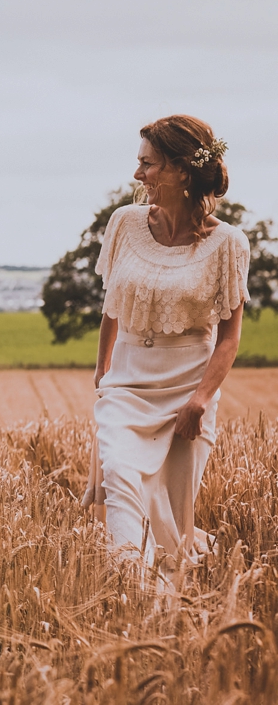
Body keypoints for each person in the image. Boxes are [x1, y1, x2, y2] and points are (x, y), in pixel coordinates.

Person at [82, 115, 250, 575]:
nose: (138, 175)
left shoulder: (229, 243)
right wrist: (103, 374)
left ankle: (170, 593)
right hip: (127, 381)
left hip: (188, 388)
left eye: (148, 164)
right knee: (119, 473)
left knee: (170, 510)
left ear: (181, 170)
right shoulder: (125, 224)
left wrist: (200, 399)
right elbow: (111, 306)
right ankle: (130, 587)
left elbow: (230, 339)